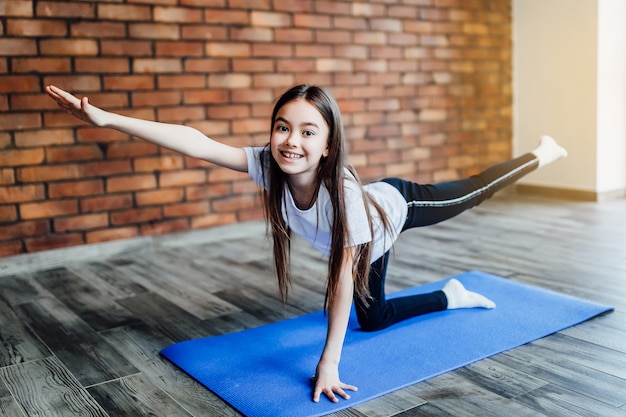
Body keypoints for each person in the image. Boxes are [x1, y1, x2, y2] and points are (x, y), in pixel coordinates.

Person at [45, 83, 567, 404]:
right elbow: (197, 141)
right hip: (369, 242)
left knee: (474, 191)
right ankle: (451, 296)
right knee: (375, 319)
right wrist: (107, 119)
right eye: (282, 127)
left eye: (308, 132)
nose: (291, 141)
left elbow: (340, 282)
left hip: (395, 209)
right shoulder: (271, 165)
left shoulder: (339, 194)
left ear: (328, 143)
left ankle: (539, 155)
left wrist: (330, 362)